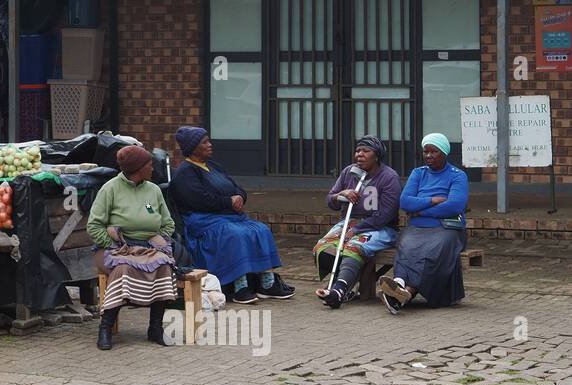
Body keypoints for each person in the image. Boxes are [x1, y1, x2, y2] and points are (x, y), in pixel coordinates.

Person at [170, 126, 293, 304]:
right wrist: (229, 202)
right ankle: (240, 287)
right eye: (205, 142)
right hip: (203, 221)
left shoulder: (213, 166)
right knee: (234, 234)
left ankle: (267, 284)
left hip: (229, 216)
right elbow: (199, 200)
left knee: (260, 229)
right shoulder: (185, 173)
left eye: (208, 141)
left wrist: (240, 198)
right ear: (193, 147)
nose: (210, 145)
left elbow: (237, 188)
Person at [86, 145, 179, 350]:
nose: (153, 168)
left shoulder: (153, 190)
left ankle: (155, 328)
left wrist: (159, 241)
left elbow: (168, 223)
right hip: (114, 249)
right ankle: (105, 327)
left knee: (163, 266)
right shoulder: (110, 188)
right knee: (123, 270)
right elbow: (93, 226)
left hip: (148, 249)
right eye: (149, 165)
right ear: (137, 169)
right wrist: (115, 245)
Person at [377, 133, 469, 315]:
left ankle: (404, 292)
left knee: (432, 251)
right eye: (426, 152)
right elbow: (405, 202)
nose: (428, 156)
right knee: (406, 245)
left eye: (433, 152)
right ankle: (400, 284)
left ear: (444, 152)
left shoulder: (458, 175)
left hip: (448, 228)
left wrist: (420, 209)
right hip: (418, 227)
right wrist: (434, 200)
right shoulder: (418, 173)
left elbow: (455, 205)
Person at [314, 136, 402, 308]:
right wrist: (342, 195)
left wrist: (358, 229)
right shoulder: (349, 172)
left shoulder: (389, 177)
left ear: (376, 156)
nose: (359, 155)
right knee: (323, 247)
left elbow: (387, 214)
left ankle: (338, 290)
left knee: (353, 247)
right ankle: (347, 284)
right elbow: (330, 201)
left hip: (380, 227)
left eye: (365, 151)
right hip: (349, 222)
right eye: (357, 151)